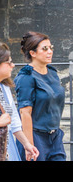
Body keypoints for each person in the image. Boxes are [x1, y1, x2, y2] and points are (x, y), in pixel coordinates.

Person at [14, 31, 66, 161]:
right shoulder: (26, 77)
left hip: (55, 136)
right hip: (35, 136)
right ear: (33, 53)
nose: (50, 51)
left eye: (51, 48)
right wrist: (29, 146)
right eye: (45, 49)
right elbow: (24, 113)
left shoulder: (53, 73)